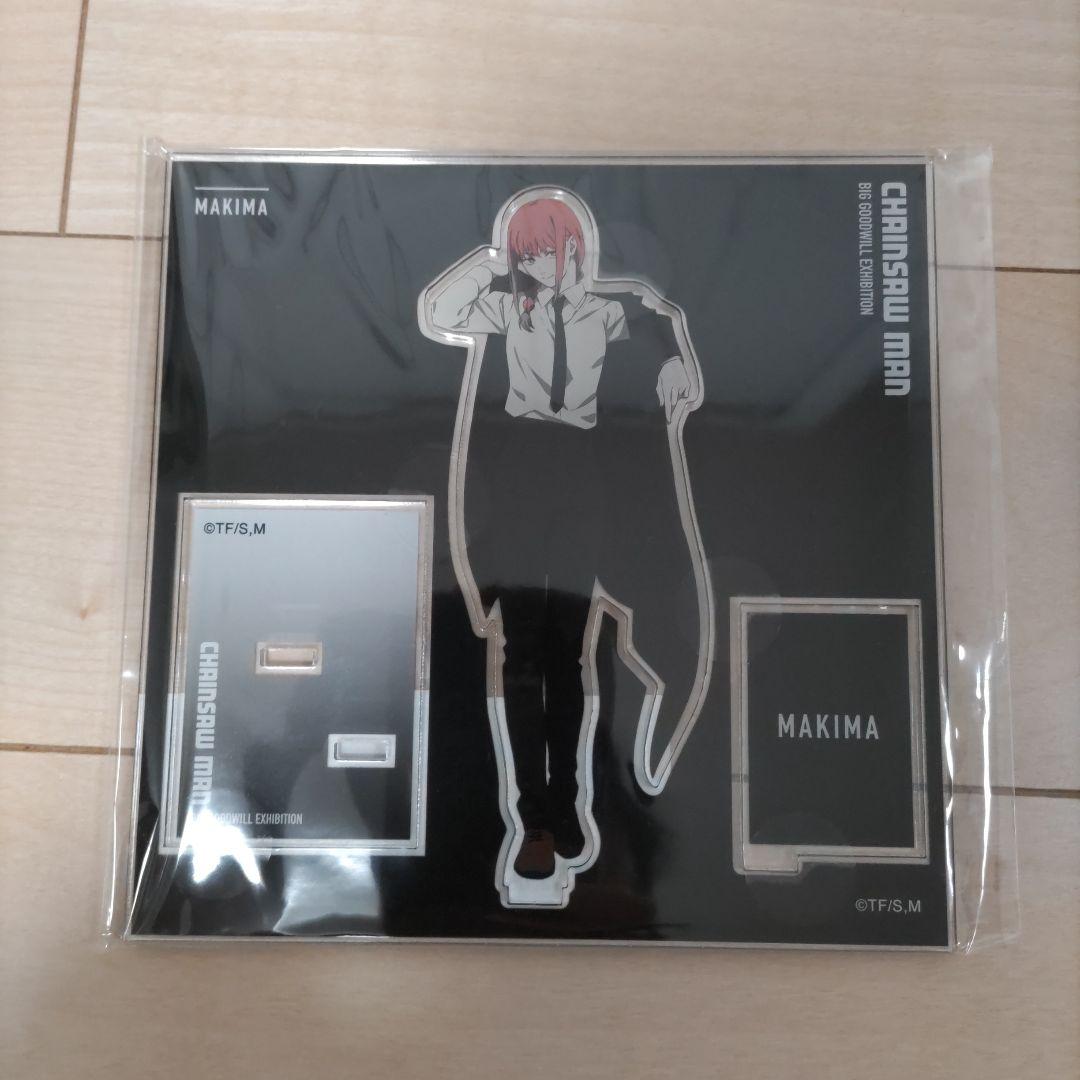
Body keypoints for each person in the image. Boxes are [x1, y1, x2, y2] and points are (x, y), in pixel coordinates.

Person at [422, 190, 707, 898]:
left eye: (552, 251)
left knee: (574, 654)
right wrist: (493, 259)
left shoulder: (608, 310)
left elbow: (660, 313)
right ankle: (534, 821)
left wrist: (677, 360)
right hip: (519, 473)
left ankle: (574, 805)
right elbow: (441, 311)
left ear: (576, 250)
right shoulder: (503, 308)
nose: (543, 266)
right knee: (519, 658)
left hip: (581, 478)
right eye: (531, 255)